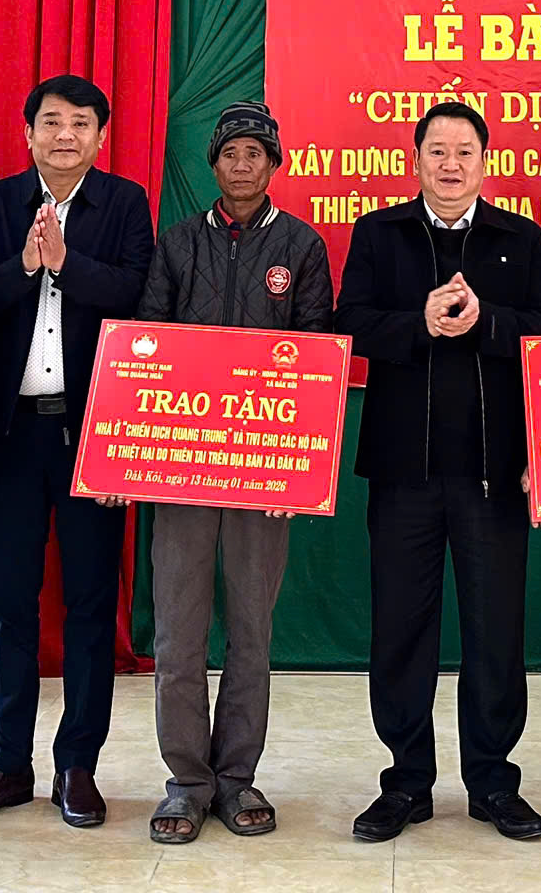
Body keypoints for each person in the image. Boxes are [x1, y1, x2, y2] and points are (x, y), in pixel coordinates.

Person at [336, 99, 541, 845]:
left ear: (485, 162)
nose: (451, 164)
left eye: (465, 152)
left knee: (496, 630)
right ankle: (406, 782)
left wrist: (487, 319)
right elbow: (349, 322)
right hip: (404, 474)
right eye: (438, 151)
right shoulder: (380, 232)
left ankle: (493, 782)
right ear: (417, 159)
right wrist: (418, 323)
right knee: (401, 629)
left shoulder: (520, 238)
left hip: (495, 473)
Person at [0, 74, 152, 831]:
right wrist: (26, 267)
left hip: (93, 433)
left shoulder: (124, 203)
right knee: (9, 603)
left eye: (81, 123)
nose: (66, 135)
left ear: (101, 136)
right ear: (28, 133)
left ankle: (77, 765)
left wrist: (67, 264)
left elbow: (136, 294)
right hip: (12, 432)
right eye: (52, 122)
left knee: (91, 603)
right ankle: (6, 762)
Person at [130, 100, 336, 844]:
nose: (242, 165)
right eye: (230, 154)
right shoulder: (179, 242)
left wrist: (294, 473)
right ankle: (187, 782)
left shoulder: (302, 246)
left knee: (251, 630)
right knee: (179, 633)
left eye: (256, 153)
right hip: (183, 467)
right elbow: (146, 346)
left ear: (275, 163)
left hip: (263, 474)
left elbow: (315, 357)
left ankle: (238, 777)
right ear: (212, 164)